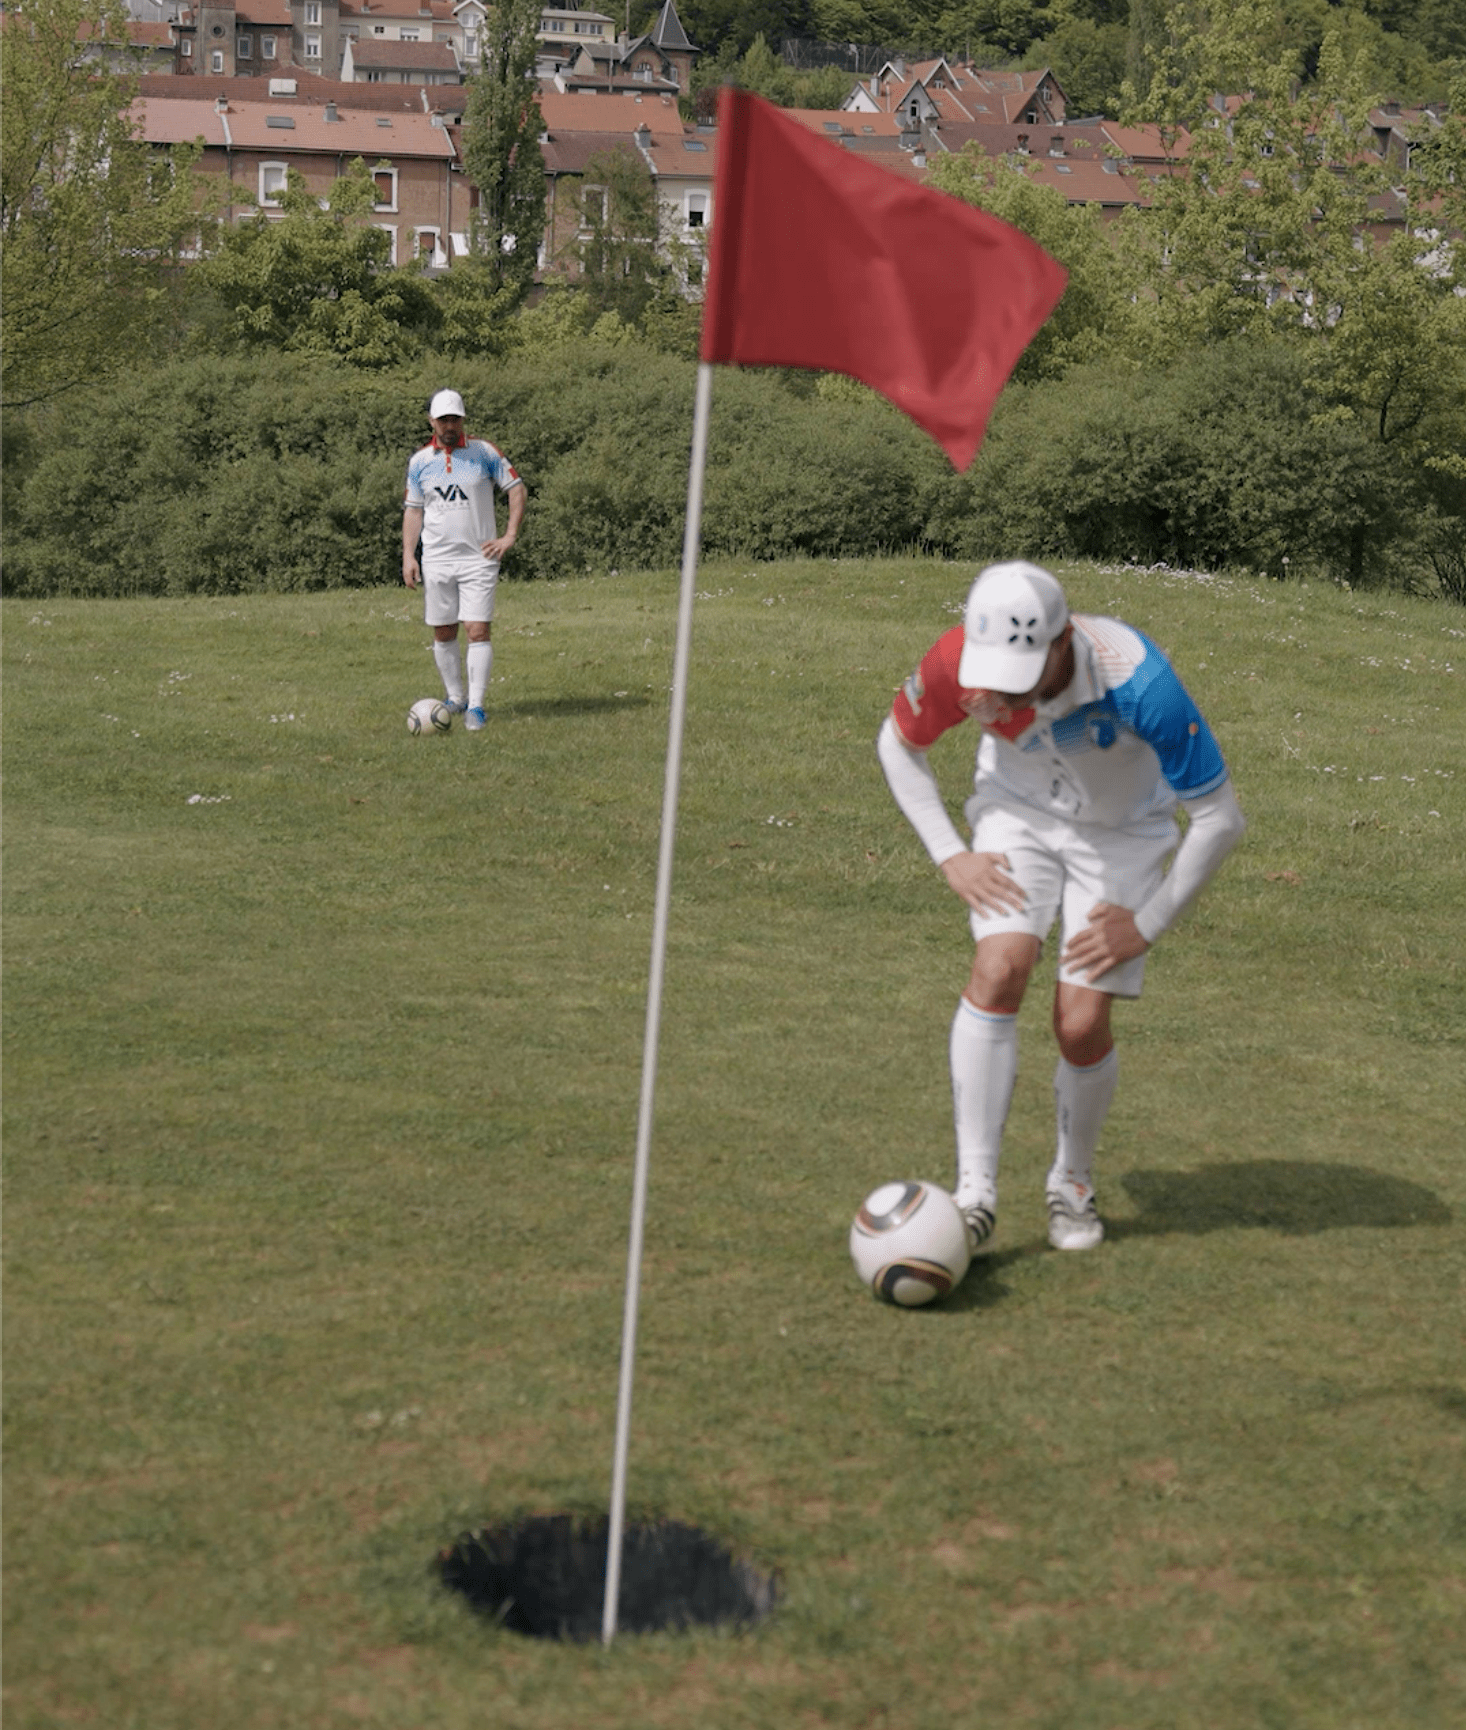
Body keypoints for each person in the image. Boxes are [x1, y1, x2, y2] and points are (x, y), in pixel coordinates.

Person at [877, 560, 1246, 1253]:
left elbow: (1220, 818)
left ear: (1061, 642)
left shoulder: (1141, 682)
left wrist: (1147, 923)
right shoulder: (963, 660)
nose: (999, 694)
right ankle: (975, 1193)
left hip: (1121, 838)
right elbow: (897, 745)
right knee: (998, 969)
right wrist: (949, 852)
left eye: (1022, 675)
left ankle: (1071, 1182)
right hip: (1017, 816)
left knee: (1079, 1024)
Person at [402, 389, 527, 731]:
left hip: (479, 557)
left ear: (463, 420)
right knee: (443, 630)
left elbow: (516, 488)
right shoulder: (420, 462)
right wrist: (408, 556)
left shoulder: (484, 453)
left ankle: (476, 706)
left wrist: (509, 535)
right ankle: (455, 697)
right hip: (437, 559)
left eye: (455, 419)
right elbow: (413, 511)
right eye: (443, 420)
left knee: (476, 628)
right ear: (431, 421)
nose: (449, 426)